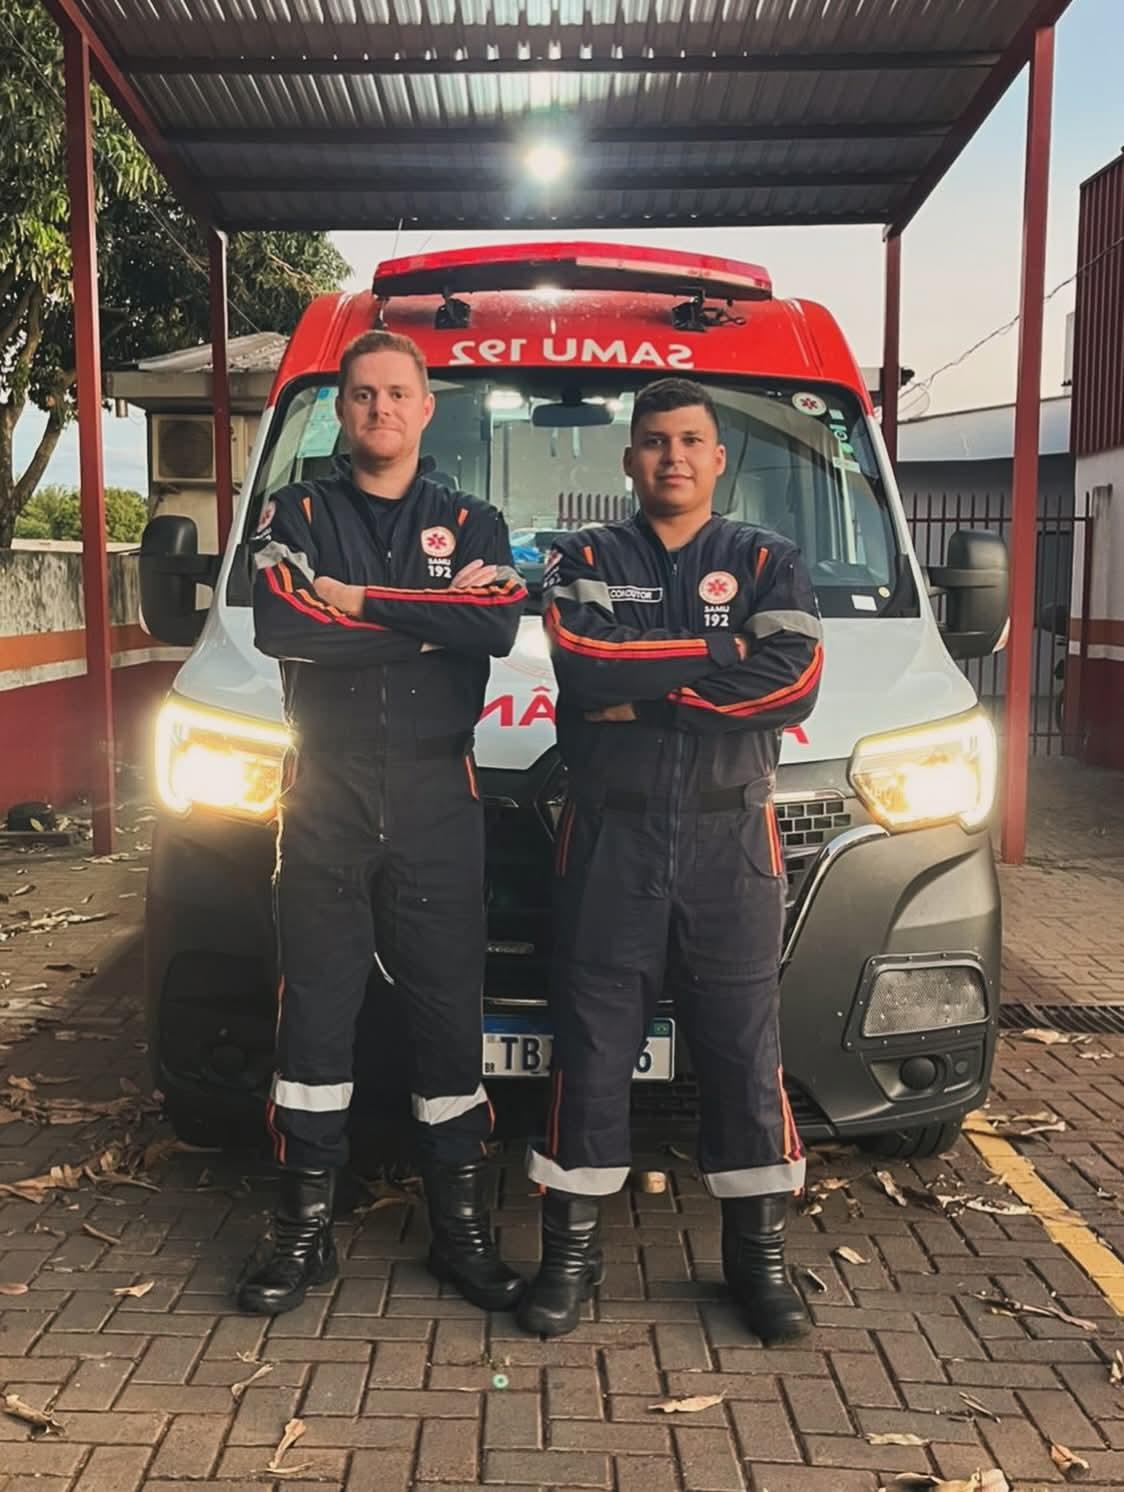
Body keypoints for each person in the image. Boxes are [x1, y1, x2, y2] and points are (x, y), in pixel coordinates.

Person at [518, 377, 823, 1342]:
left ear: (718, 456)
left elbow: (796, 682)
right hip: (612, 834)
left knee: (743, 1048)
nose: (673, 458)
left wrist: (655, 693)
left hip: (733, 838)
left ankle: (758, 1263)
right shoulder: (588, 555)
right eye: (654, 442)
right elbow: (586, 665)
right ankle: (568, 1260)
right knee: (594, 1045)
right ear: (629, 458)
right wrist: (724, 650)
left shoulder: (770, 557)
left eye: (691, 441)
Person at [240, 330, 527, 1316]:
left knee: (449, 1013)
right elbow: (281, 623)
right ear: (343, 408)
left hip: (434, 794)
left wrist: (356, 603)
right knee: (315, 1014)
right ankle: (300, 1231)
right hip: (323, 792)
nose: (380, 411)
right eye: (362, 395)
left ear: (424, 405)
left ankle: (460, 1232)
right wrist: (430, 613)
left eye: (397, 393)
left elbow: (494, 626)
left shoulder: (471, 516)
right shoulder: (295, 509)